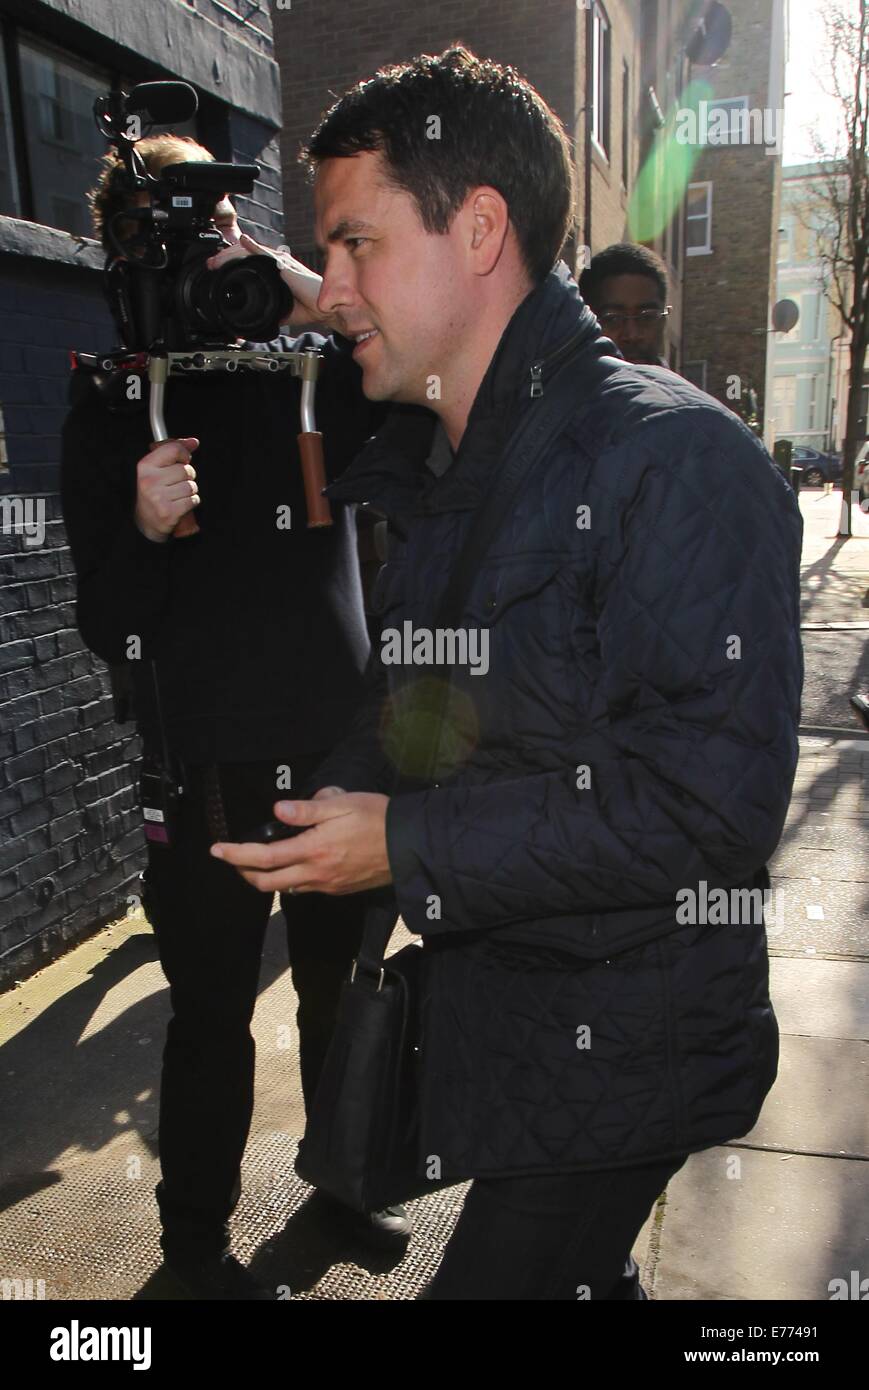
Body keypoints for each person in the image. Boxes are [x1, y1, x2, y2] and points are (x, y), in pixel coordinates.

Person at [213, 47, 803, 1301]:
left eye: (358, 243)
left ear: (478, 229)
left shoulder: (672, 463)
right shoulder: (442, 464)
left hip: (629, 1053)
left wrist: (408, 845)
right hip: (518, 1029)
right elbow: (432, 717)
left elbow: (706, 810)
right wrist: (312, 810)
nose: (329, 291)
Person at [61, 135, 407, 1302]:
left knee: (340, 1002)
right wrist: (148, 534)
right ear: (126, 254)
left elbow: (434, 385)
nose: (210, 260)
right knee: (209, 1020)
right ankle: (193, 1251)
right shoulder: (113, 401)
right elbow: (107, 621)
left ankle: (343, 1186)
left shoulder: (311, 370)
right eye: (177, 236)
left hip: (335, 754)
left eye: (223, 226)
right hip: (202, 770)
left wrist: (310, 289)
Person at [579, 241, 672, 366]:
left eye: (646, 317)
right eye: (613, 319)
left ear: (663, 322)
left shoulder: (682, 386)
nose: (632, 335)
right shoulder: (557, 384)